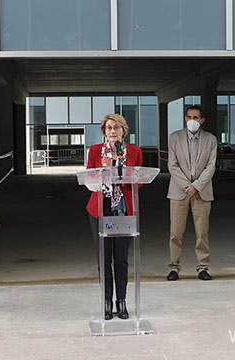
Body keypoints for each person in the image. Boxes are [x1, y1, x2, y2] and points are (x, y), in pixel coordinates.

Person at [87, 114, 143, 320]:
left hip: (124, 211)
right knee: (104, 259)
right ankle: (107, 301)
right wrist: (101, 172)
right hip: (100, 210)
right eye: (109, 128)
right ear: (104, 131)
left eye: (117, 128)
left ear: (123, 131)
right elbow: (88, 180)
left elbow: (140, 181)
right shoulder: (94, 151)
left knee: (121, 259)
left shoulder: (134, 152)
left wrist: (126, 173)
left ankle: (122, 301)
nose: (112, 131)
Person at [166, 105, 217, 281]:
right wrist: (187, 185)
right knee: (175, 232)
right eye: (189, 117)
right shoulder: (174, 138)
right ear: (185, 118)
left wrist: (196, 186)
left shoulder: (210, 140)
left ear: (201, 120)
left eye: (196, 118)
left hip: (201, 192)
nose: (192, 121)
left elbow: (211, 166)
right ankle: (174, 267)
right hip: (179, 192)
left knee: (202, 232)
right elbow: (172, 165)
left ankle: (203, 267)